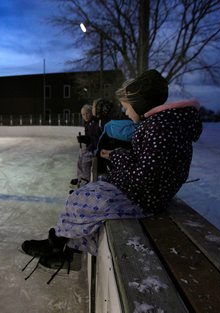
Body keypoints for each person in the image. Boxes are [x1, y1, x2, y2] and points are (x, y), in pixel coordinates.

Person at [21, 69, 202, 269]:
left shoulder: (158, 128)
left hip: (144, 198)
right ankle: (64, 248)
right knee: (85, 195)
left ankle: (59, 248)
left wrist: (116, 155)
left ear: (140, 104)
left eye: (127, 107)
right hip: (147, 193)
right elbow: (148, 164)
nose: (125, 112)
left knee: (79, 201)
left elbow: (145, 176)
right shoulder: (162, 125)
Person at [71, 104, 101, 188]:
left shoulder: (95, 123)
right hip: (91, 147)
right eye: (83, 114)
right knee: (81, 155)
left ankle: (85, 179)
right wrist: (84, 139)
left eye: (87, 113)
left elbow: (96, 139)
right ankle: (80, 177)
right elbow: (90, 138)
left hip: (96, 148)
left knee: (85, 159)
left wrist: (88, 143)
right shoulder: (87, 124)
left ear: (91, 112)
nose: (85, 116)